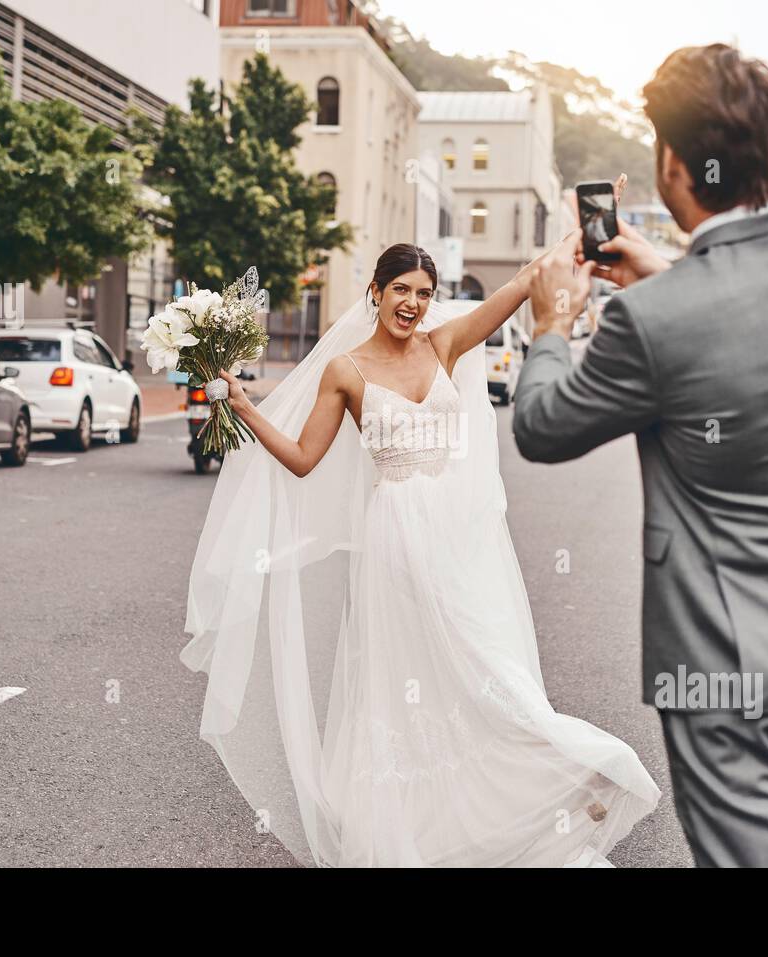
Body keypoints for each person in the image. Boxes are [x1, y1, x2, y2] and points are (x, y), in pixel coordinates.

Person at [513, 43, 768, 867]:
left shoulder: (652, 322)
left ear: (671, 165)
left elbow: (543, 425)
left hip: (731, 683)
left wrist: (553, 325)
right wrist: (670, 275)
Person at [181, 240, 660, 867]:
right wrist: (244, 406)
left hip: (459, 540)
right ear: (375, 292)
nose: (413, 303)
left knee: (487, 668)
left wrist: (581, 236)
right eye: (402, 289)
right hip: (394, 541)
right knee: (415, 690)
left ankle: (573, 776)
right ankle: (419, 835)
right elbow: (302, 461)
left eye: (425, 294)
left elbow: (519, 286)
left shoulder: (443, 346)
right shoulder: (345, 372)